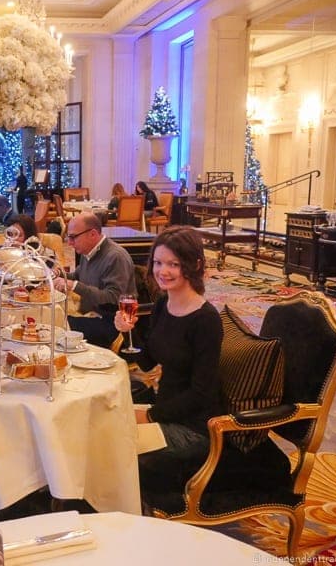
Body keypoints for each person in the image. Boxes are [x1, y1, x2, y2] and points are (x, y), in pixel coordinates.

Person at [113, 226, 223, 495]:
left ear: (194, 264)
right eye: (159, 263)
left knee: (114, 448)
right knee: (103, 422)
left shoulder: (205, 320)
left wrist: (150, 415)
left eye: (174, 264)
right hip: (167, 408)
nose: (163, 271)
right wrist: (130, 331)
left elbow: (201, 393)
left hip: (195, 427)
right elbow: (149, 362)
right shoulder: (164, 304)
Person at [53, 212, 136, 347]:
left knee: (58, 328)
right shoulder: (89, 251)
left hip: (111, 323)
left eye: (73, 237)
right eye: (69, 237)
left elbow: (114, 297)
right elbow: (78, 275)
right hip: (91, 313)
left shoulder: (115, 257)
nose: (69, 242)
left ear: (92, 234)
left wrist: (73, 286)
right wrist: (58, 274)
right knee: (53, 319)